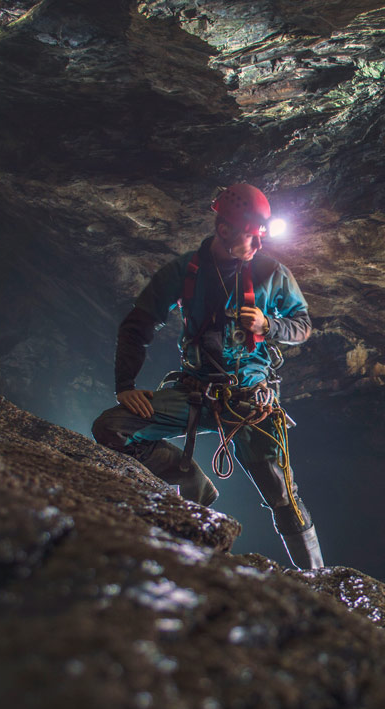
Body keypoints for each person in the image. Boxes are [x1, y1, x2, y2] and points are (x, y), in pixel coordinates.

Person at [92, 184, 323, 569]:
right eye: (249, 236)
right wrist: (125, 386)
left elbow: (302, 327)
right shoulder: (185, 271)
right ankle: (193, 484)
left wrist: (269, 324)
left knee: (282, 496)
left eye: (259, 236)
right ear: (224, 229)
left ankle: (318, 579)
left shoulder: (271, 272)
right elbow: (138, 324)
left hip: (251, 399)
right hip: (195, 393)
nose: (255, 245)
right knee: (112, 427)